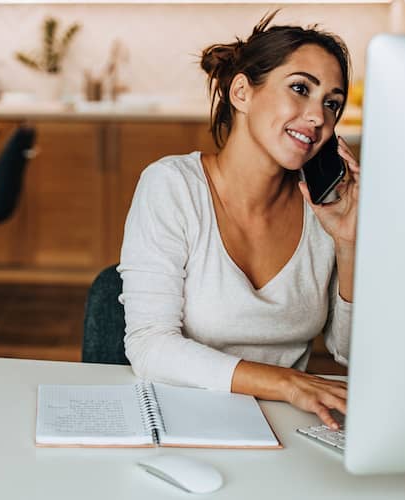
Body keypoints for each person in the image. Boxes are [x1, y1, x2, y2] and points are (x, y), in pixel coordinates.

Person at [119, 12, 361, 430]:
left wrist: (349, 242)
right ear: (242, 92)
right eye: (300, 89)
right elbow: (149, 347)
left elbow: (349, 349)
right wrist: (285, 383)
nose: (319, 116)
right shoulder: (172, 187)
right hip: (181, 416)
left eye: (332, 103)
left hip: (288, 425)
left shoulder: (326, 210)